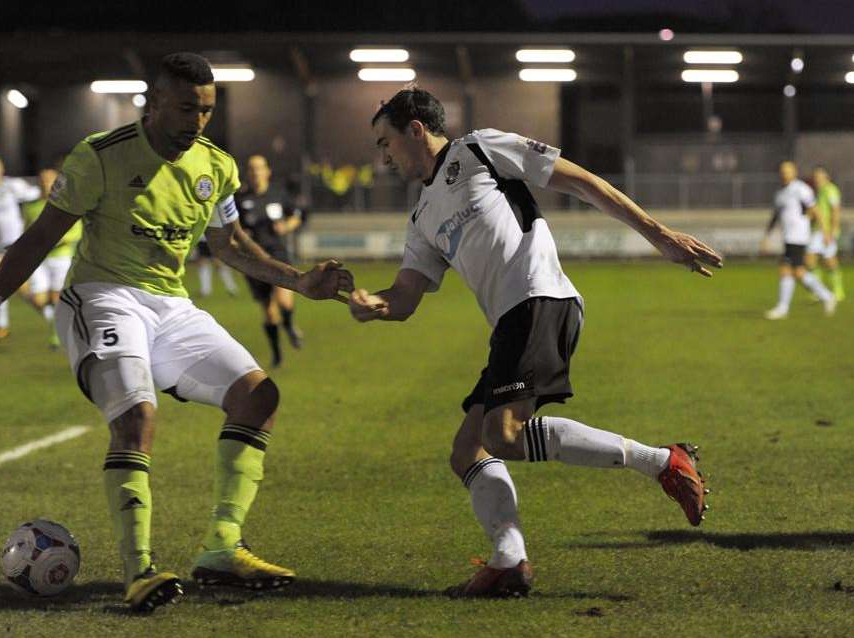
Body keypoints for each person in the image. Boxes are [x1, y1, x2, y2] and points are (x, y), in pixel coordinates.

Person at [0, 52, 353, 612]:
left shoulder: (215, 166)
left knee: (258, 396)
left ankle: (221, 549)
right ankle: (139, 571)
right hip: (102, 297)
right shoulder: (100, 156)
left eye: (207, 111)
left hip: (170, 306)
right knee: (137, 416)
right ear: (153, 103)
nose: (198, 121)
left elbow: (229, 245)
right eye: (186, 108)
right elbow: (37, 240)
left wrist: (299, 281)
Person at [348, 87, 720, 598]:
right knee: (467, 451)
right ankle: (509, 561)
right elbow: (406, 297)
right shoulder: (421, 217)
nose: (383, 156)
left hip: (539, 299)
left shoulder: (480, 149)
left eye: (385, 142)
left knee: (503, 435)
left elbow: (582, 183)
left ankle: (663, 461)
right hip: (511, 323)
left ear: (415, 129)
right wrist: (371, 303)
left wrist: (658, 235)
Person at [0, 153, 49, 341]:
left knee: (31, 296)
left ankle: (9, 323)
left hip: (21, 245)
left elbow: (39, 194)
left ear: (1, 169)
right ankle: (4, 325)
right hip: (0, 248)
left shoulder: (13, 186)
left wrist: (47, 185)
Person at [236, 155, 305, 367]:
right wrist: (241, 236)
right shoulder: (240, 199)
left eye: (260, 168)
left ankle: (290, 325)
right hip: (254, 260)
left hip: (278, 254)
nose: (256, 172)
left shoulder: (278, 193)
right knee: (268, 310)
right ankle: (277, 355)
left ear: (267, 171)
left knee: (284, 301)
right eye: (252, 169)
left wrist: (286, 226)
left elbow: (296, 215)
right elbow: (232, 228)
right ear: (248, 173)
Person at [761, 161, 836, 319]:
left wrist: (826, 232)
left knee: (793, 270)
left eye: (788, 170)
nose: (785, 173)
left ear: (794, 172)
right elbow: (776, 216)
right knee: (793, 271)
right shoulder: (780, 193)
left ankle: (823, 297)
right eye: (782, 171)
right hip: (788, 237)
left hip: (799, 236)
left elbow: (815, 211)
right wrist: (767, 236)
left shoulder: (801, 189)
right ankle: (825, 296)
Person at [22, 167, 83, 348]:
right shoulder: (30, 206)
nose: (45, 183)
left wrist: (59, 240)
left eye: (50, 180)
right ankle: (56, 323)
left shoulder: (68, 204)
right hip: (39, 258)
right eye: (42, 179)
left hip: (61, 258)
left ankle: (57, 335)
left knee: (56, 297)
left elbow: (77, 232)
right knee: (38, 299)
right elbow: (27, 230)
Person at [805, 165, 844, 302]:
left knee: (830, 261)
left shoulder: (831, 190)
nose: (817, 179)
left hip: (827, 232)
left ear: (827, 176)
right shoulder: (819, 191)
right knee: (810, 260)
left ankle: (838, 290)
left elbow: (836, 210)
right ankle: (818, 291)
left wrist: (832, 232)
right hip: (818, 231)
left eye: (820, 176)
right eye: (815, 176)